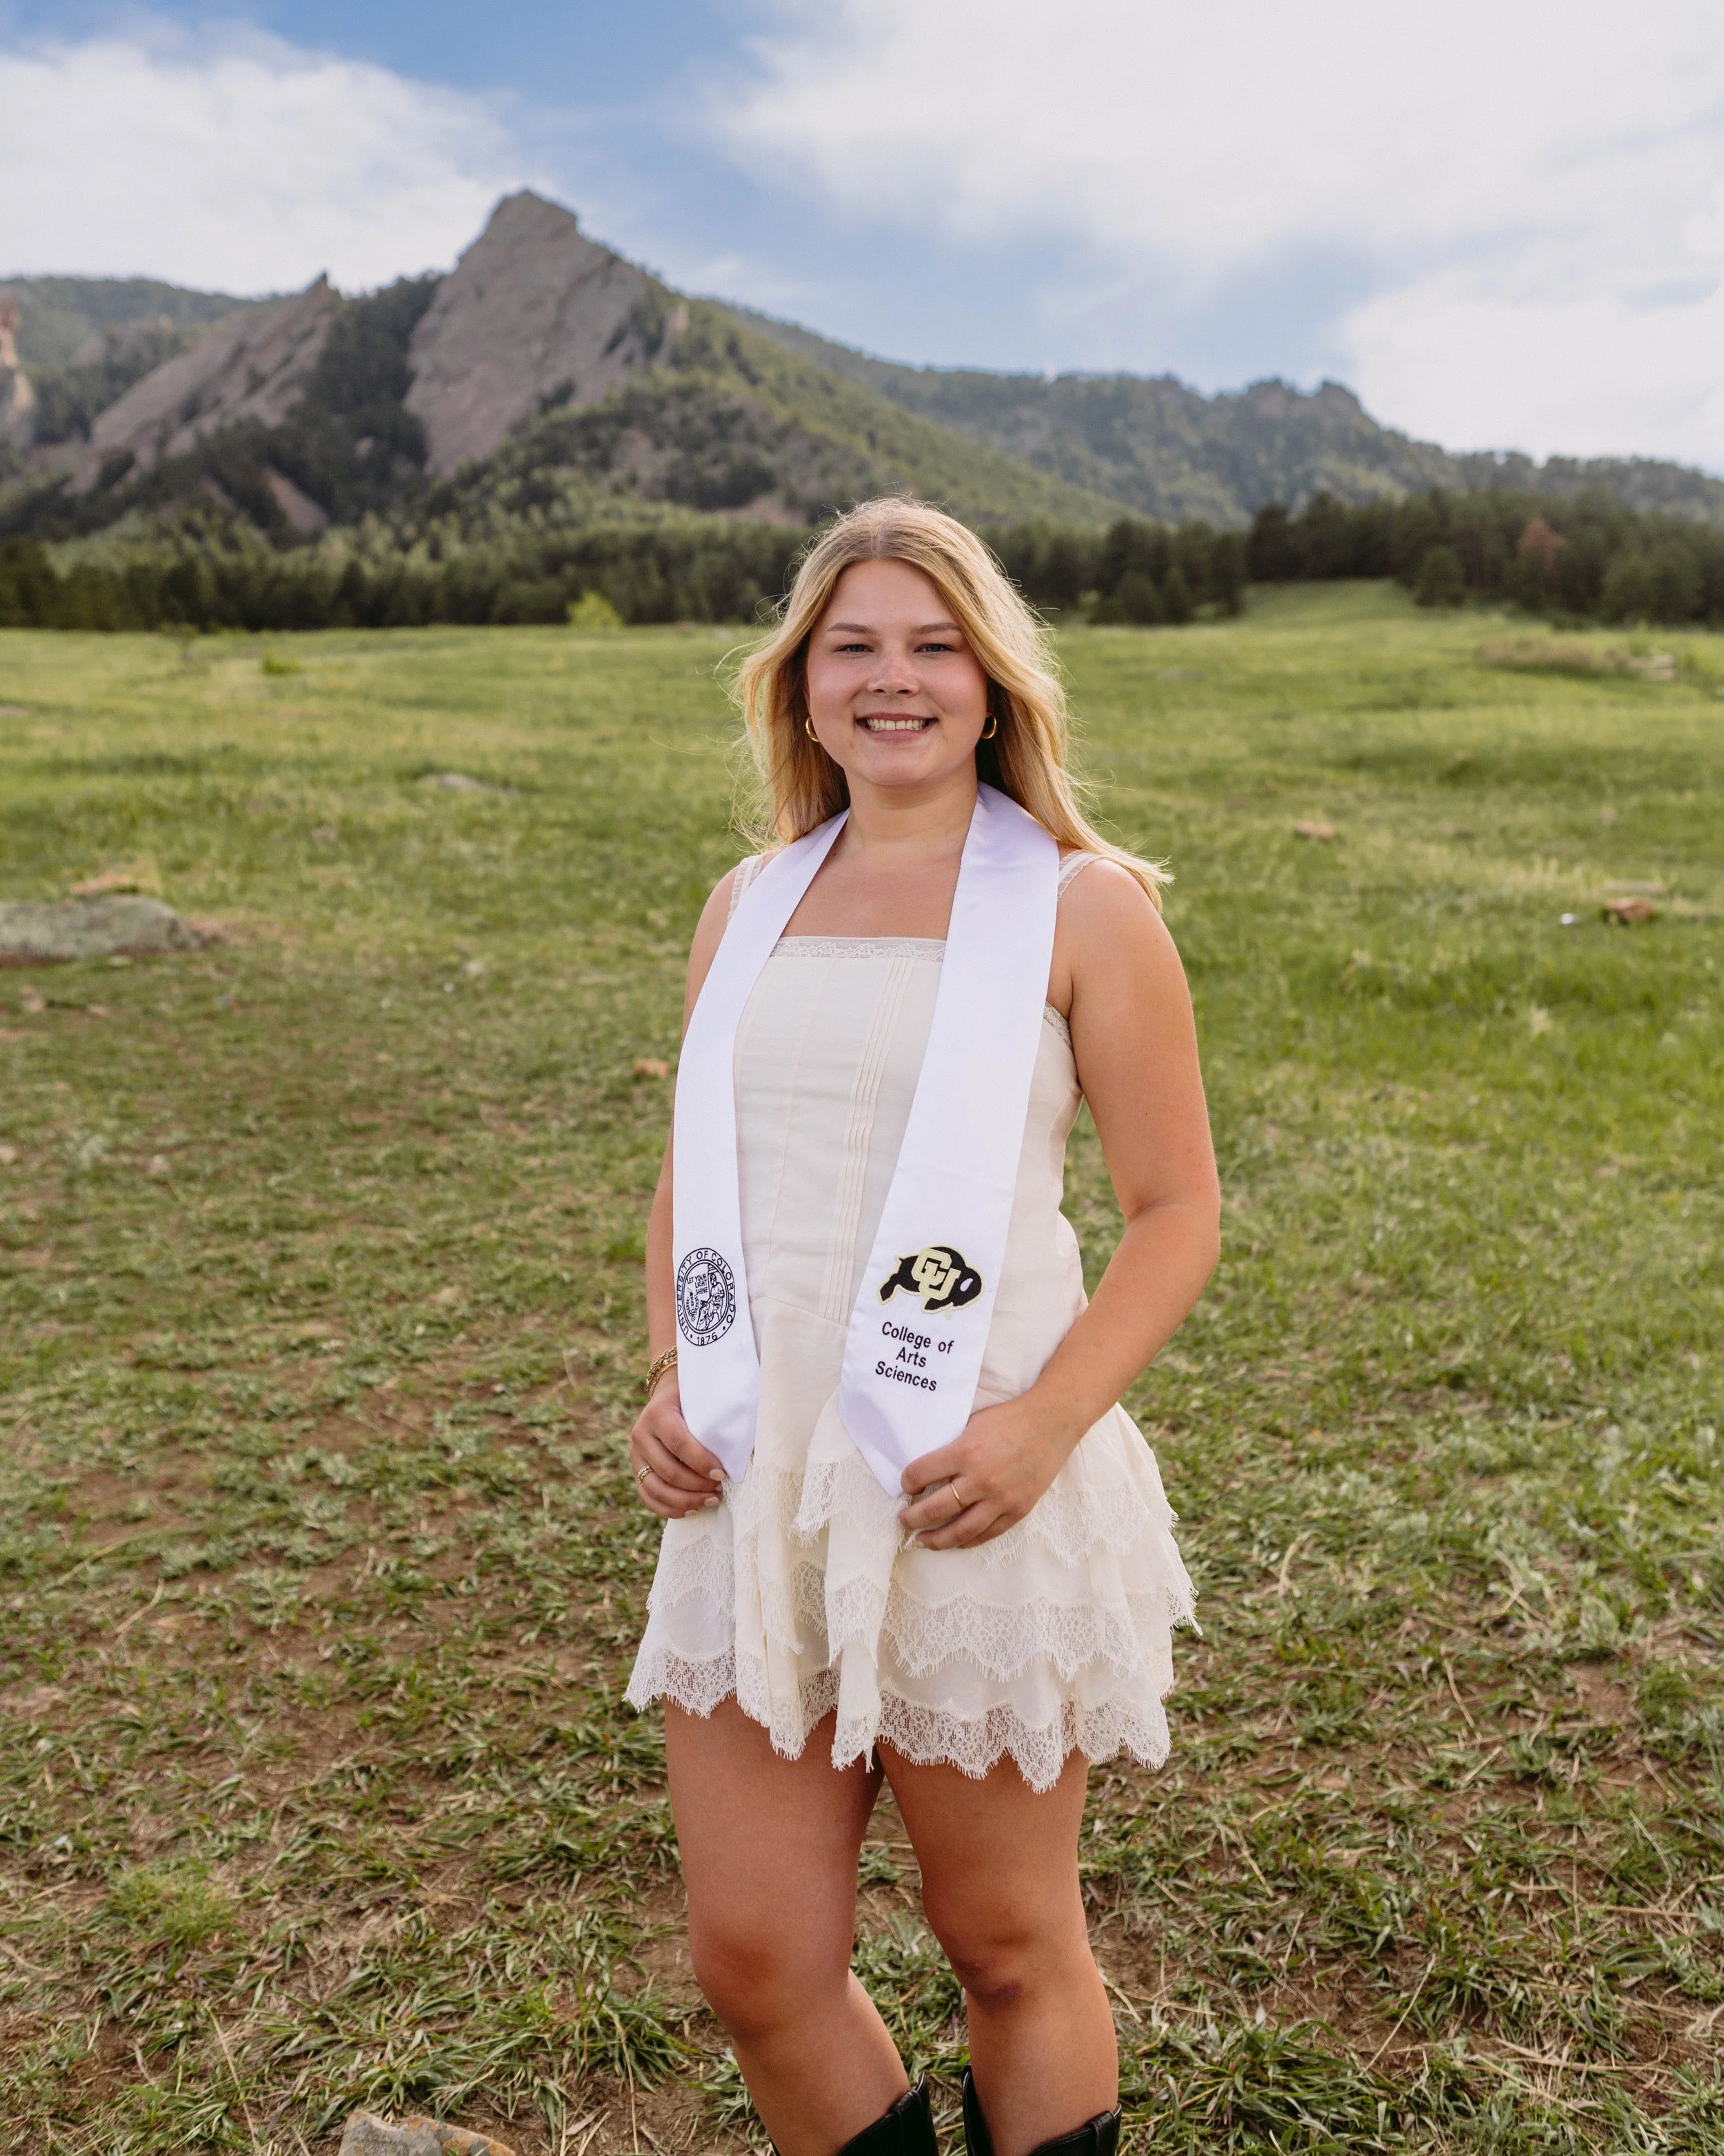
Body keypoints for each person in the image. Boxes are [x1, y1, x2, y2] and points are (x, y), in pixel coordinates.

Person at [625, 499, 1219, 2156]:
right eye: (854, 648)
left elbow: (1177, 1216)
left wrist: (1043, 1432)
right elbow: (694, 1174)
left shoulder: (1083, 909)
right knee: (754, 1963)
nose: (894, 680)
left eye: (933, 644)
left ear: (992, 678)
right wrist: (675, 1368)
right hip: (758, 1486)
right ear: (800, 687)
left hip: (969, 1480)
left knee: (1007, 1948)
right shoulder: (742, 904)